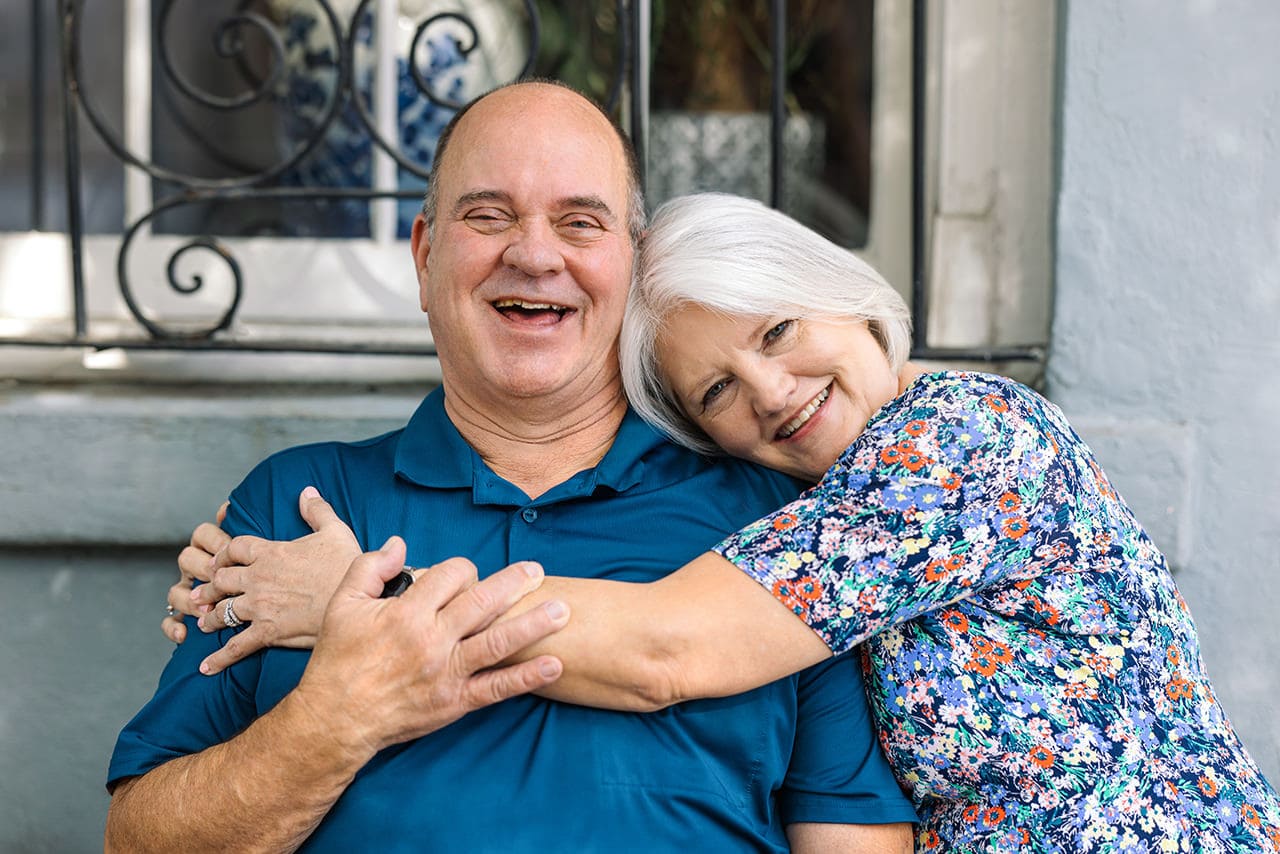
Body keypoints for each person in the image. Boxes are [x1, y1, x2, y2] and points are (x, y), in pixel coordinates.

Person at [178, 192, 1280, 850]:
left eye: (780, 326)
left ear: (845, 291)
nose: (766, 387)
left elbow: (665, 648)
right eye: (714, 392)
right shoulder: (819, 501)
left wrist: (351, 599)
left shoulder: (962, 443)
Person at [110, 85, 917, 853]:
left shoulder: (777, 516)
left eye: (579, 223)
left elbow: (853, 833)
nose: (534, 254)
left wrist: (375, 602)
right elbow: (138, 840)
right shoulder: (299, 507)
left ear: (633, 269)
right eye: (488, 215)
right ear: (424, 257)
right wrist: (335, 719)